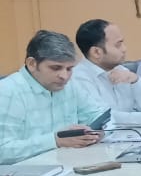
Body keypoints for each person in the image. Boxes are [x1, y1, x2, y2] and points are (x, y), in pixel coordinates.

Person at [0, 30, 104, 165]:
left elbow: (96, 117)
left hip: (69, 166)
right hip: (23, 175)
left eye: (69, 69)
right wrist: (55, 140)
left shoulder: (69, 85)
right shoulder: (7, 91)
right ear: (32, 64)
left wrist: (97, 132)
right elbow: (3, 150)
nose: (64, 76)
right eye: (55, 68)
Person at [72, 19, 141, 125]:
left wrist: (136, 81)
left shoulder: (121, 70)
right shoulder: (78, 79)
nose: (124, 49)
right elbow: (103, 119)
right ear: (96, 52)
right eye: (118, 45)